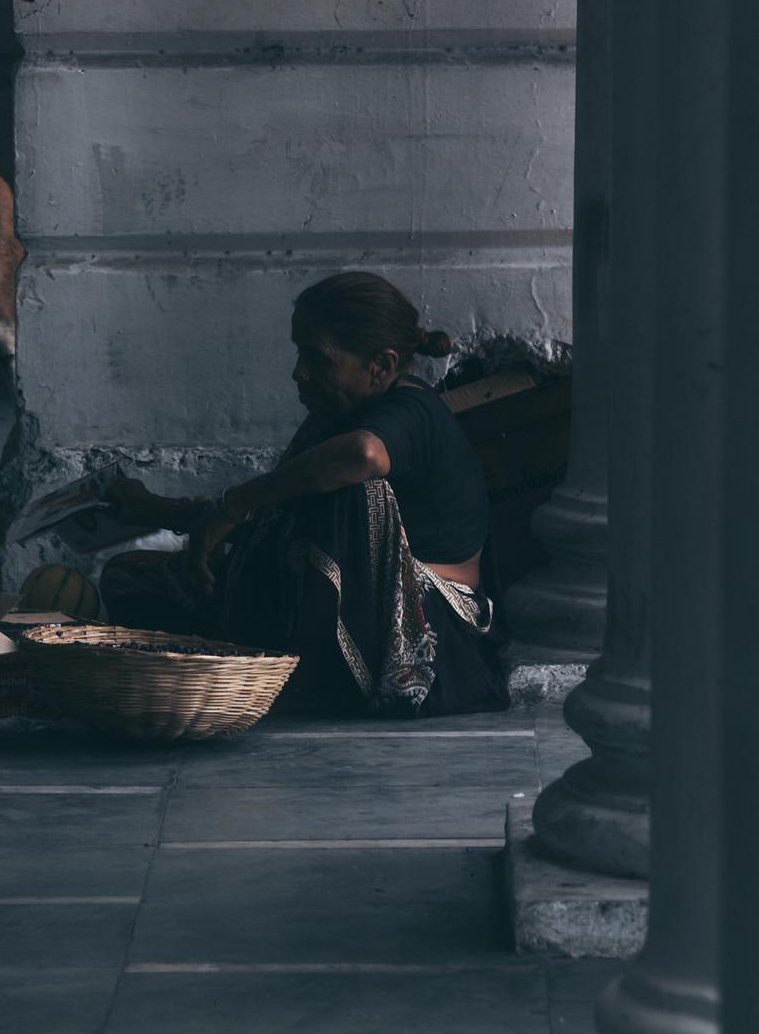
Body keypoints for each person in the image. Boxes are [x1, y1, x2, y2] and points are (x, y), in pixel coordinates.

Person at [100, 271, 509, 716]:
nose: (299, 372)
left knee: (356, 488)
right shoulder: (336, 415)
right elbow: (279, 519)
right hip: (320, 609)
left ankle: (293, 679)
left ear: (383, 365)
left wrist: (232, 504)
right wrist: (157, 510)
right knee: (126, 578)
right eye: (300, 354)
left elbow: (363, 455)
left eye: (318, 359)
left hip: (428, 636)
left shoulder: (410, 413)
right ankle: (269, 659)